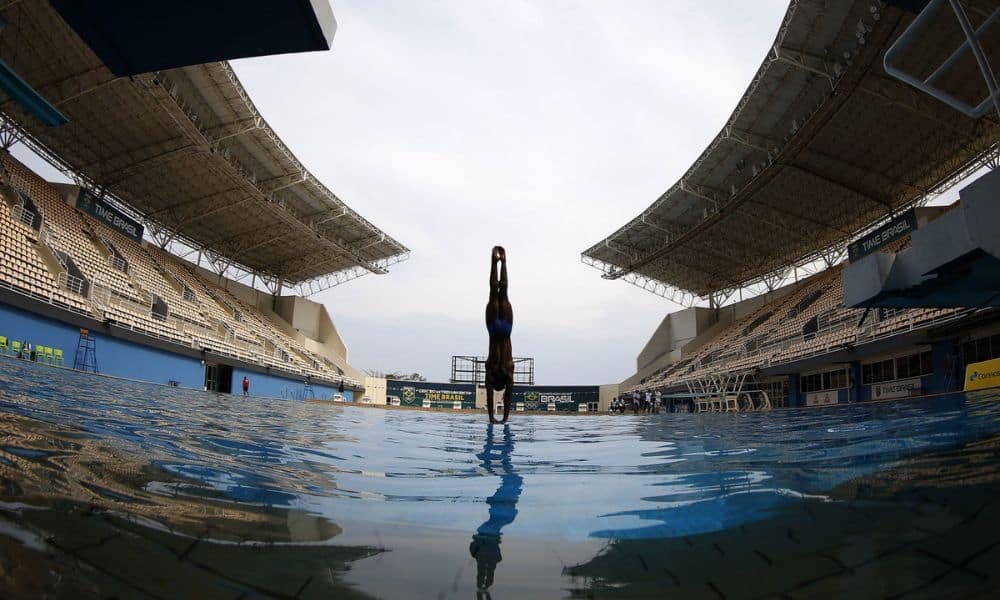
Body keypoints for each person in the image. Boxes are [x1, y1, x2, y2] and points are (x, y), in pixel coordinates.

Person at [485, 246, 514, 424]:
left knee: (502, 292)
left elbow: (506, 394)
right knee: (496, 292)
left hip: (505, 328)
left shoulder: (507, 369)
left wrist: (499, 418)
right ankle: (497, 262)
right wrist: (495, 418)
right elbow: (498, 395)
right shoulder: (493, 367)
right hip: (495, 328)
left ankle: (502, 262)